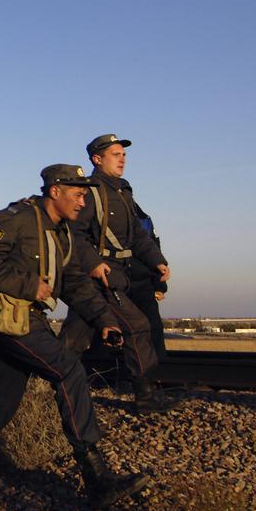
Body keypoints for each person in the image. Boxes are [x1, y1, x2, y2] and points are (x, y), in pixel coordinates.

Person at [0, 165, 149, 509]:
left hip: (26, 318)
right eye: (78, 194)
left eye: (85, 195)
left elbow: (75, 282)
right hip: (9, 317)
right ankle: (97, 478)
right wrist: (29, 286)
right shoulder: (19, 218)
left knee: (4, 395)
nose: (83, 201)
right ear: (55, 191)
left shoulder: (61, 232)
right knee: (69, 371)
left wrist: (104, 320)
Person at [60, 134, 176, 412]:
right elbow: (74, 234)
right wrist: (93, 264)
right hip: (97, 276)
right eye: (115, 154)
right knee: (136, 326)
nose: (122, 158)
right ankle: (145, 396)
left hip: (114, 275)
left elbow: (136, 234)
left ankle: (47, 385)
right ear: (97, 160)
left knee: (73, 339)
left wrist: (157, 260)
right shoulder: (90, 192)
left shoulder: (122, 191)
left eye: (123, 154)